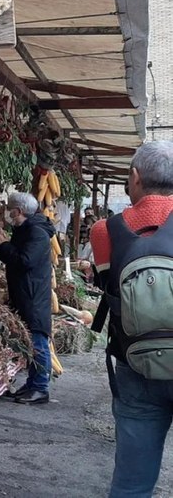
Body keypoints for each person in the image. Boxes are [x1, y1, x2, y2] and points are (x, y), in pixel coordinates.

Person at [90, 141, 173, 497]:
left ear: (135, 177)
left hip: (134, 364)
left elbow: (107, 285)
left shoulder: (103, 231)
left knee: (132, 483)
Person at [0, 192, 55, 405]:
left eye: (9, 208)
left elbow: (24, 261)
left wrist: (5, 245)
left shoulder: (37, 233)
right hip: (25, 293)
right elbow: (13, 258)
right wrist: (2, 246)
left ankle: (41, 388)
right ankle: (32, 383)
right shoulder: (24, 230)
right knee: (29, 340)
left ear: (17, 211)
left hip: (33, 295)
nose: (7, 212)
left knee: (37, 341)